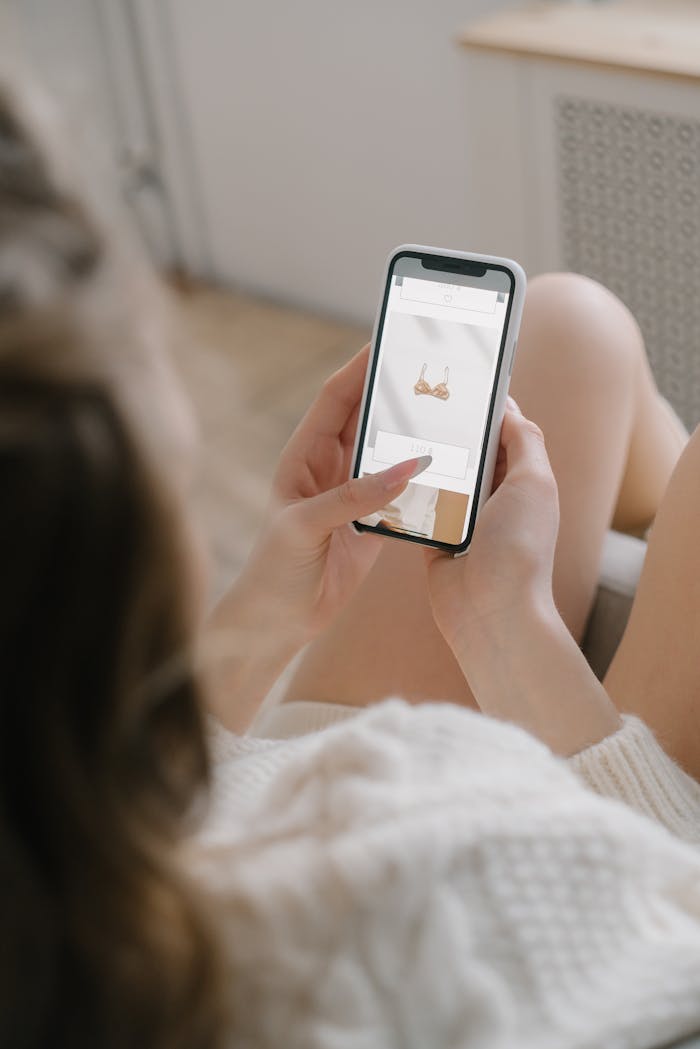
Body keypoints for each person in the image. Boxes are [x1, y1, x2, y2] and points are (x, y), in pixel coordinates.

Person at [2, 71, 700, 1049]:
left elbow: (105, 795)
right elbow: (669, 925)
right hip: (492, 842)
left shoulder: (55, 860)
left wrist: (263, 617)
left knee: (569, 321)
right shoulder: (397, 906)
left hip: (251, 795)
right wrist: (506, 628)